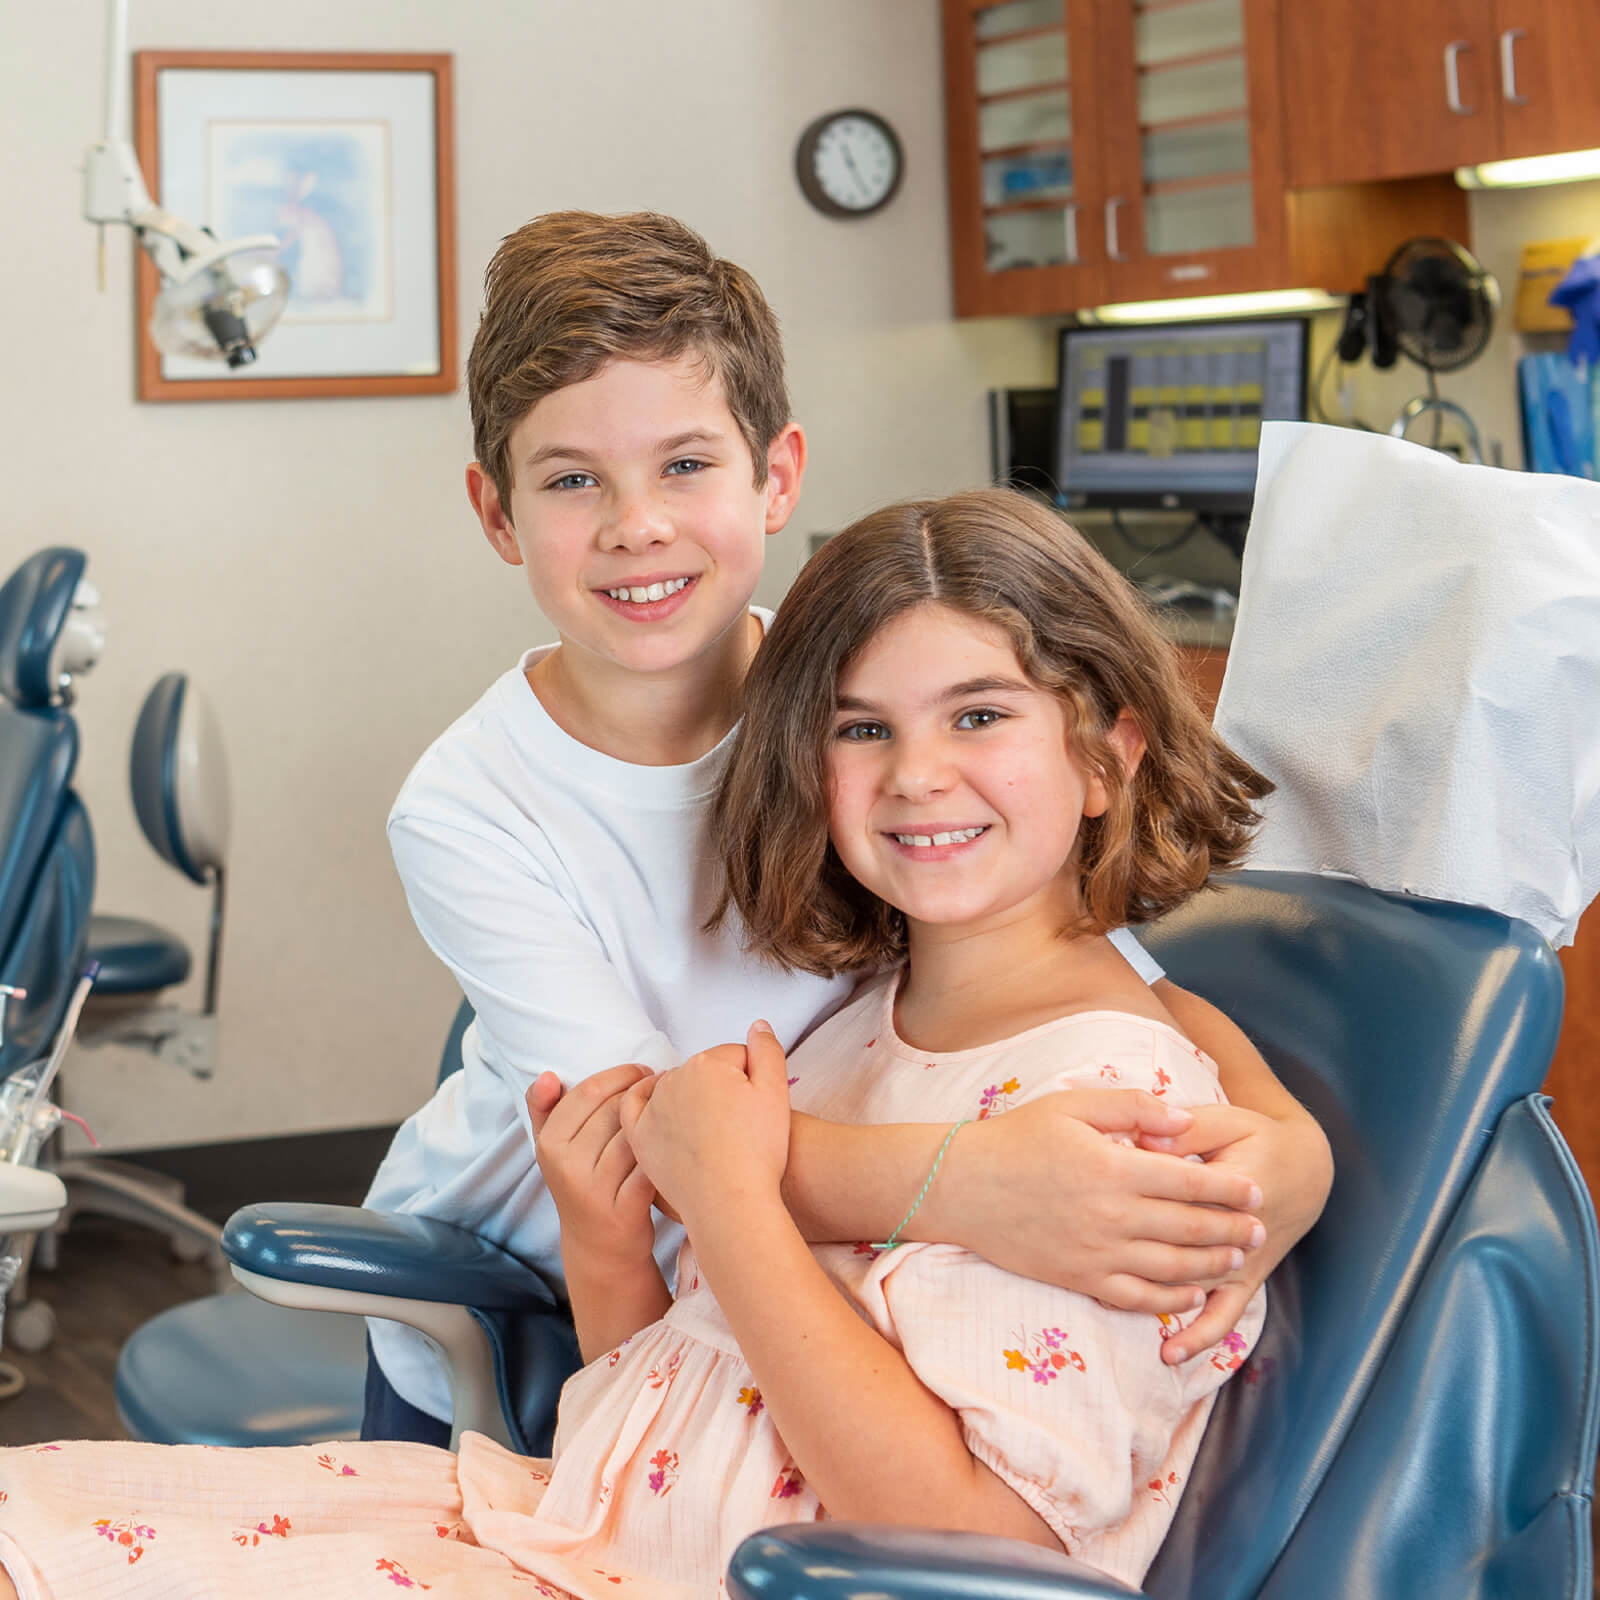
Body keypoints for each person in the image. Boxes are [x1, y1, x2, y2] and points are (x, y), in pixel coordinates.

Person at [0, 490, 1273, 1598]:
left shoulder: (1114, 1121)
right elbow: (676, 1408)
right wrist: (615, 1242)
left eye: (979, 716)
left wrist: (724, 1193)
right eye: (861, 727)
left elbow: (973, 1551)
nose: (916, 775)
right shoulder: (855, 1026)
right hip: (577, 1524)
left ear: (1109, 755)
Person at [358, 209, 1328, 1440]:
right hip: (517, 1292)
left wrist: (1290, 1149)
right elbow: (659, 1139)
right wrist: (973, 1185)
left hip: (753, 1287)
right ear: (497, 514)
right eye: (569, 481)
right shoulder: (465, 807)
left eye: (687, 464)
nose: (635, 524)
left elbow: (1092, 966)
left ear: (776, 477)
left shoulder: (856, 718)